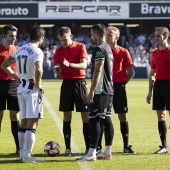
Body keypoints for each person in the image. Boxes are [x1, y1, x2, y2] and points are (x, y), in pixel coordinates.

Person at [1, 26, 45, 162]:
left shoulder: (20, 49)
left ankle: (22, 153)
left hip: (20, 88)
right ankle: (27, 155)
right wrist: (38, 84)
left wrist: (17, 77)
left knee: (23, 123)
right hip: (32, 89)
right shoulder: (37, 50)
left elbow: (4, 65)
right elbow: (39, 69)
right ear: (41, 38)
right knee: (32, 124)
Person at [76, 23, 114, 161]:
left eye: (92, 34)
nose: (91, 37)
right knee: (106, 119)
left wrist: (91, 91)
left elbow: (98, 70)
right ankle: (107, 151)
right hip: (109, 89)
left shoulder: (99, 49)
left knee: (94, 120)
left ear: (97, 33)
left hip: (100, 90)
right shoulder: (108, 48)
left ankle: (91, 153)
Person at [98, 26, 136, 154]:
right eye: (106, 34)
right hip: (105, 87)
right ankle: (98, 146)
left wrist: (121, 84)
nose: (107, 37)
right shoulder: (102, 51)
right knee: (102, 116)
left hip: (118, 87)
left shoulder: (124, 52)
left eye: (110, 35)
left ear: (117, 37)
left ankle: (126, 146)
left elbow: (130, 71)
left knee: (122, 116)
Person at [53, 26, 90, 156]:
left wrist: (70, 65)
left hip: (79, 83)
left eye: (65, 39)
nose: (63, 42)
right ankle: (68, 148)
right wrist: (57, 69)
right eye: (61, 40)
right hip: (66, 84)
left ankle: (88, 148)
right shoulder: (58, 51)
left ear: (71, 36)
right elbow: (58, 67)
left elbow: (84, 65)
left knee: (85, 116)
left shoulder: (80, 46)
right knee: (67, 116)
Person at [146, 27, 170, 154]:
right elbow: (152, 72)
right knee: (160, 116)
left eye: (158, 36)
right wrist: (150, 91)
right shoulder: (154, 53)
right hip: (159, 85)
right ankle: (164, 146)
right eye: (155, 36)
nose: (156, 38)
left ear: (166, 37)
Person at [0, 25, 20, 154]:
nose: (14, 38)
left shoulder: (18, 50)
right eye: (11, 36)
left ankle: (19, 147)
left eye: (15, 36)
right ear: (4, 36)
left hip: (14, 85)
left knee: (14, 116)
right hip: (0, 85)